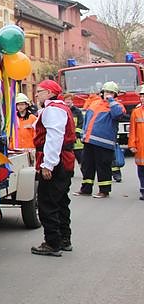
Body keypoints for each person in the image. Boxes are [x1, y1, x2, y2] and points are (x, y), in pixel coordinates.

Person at [31, 79, 76, 257]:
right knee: (61, 201)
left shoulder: (53, 110)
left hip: (57, 161)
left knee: (48, 202)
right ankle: (65, 239)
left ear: (50, 93)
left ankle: (52, 243)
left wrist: (47, 165)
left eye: (40, 91)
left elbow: (54, 138)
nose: (36, 94)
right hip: (64, 160)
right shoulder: (60, 108)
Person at [74, 81, 125, 198]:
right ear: (102, 92)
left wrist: (111, 101)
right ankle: (86, 189)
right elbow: (87, 119)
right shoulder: (94, 103)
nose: (109, 94)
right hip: (89, 140)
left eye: (112, 93)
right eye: (107, 92)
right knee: (87, 166)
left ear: (115, 95)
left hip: (104, 143)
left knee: (103, 167)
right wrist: (83, 134)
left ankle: (104, 190)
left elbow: (117, 115)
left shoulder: (117, 105)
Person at [128, 85, 144, 200]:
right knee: (141, 169)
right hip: (140, 146)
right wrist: (132, 145)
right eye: (141, 96)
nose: (142, 98)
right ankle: (143, 189)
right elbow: (132, 130)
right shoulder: (136, 112)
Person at [63, 93, 84, 164]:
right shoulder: (62, 111)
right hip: (66, 140)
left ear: (72, 101)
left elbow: (81, 124)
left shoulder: (77, 111)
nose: (68, 101)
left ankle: (85, 173)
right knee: (68, 160)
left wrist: (76, 134)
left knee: (81, 160)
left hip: (77, 141)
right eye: (66, 100)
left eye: (69, 100)